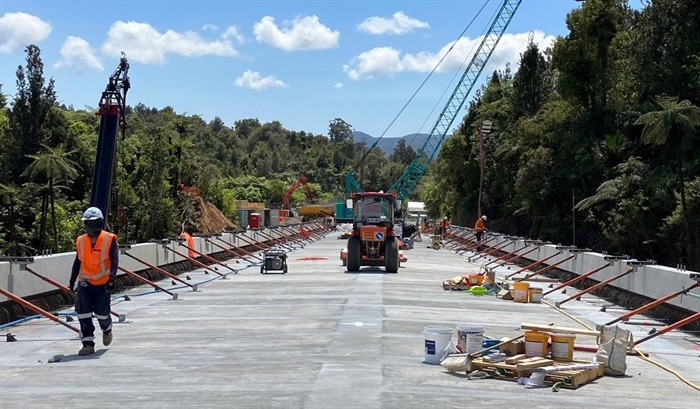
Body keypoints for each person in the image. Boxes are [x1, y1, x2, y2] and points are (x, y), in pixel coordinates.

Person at [69, 207, 119, 356]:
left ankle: (107, 329)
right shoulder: (81, 240)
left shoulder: (109, 239)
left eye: (93, 223)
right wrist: (72, 280)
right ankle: (88, 344)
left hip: (103, 283)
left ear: (99, 223)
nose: (90, 226)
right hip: (85, 282)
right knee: (83, 313)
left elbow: (115, 258)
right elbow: (77, 261)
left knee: (102, 313)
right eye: (88, 223)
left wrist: (112, 277)